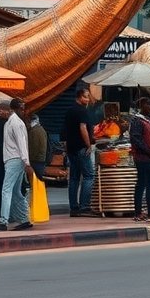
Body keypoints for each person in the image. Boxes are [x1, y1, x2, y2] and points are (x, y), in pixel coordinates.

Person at [0, 98, 32, 231]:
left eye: (1, 110)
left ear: (9, 110)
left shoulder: (15, 123)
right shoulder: (11, 122)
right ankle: (25, 219)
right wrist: (25, 162)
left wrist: (26, 162)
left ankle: (3, 220)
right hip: (14, 160)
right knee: (15, 192)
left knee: (6, 190)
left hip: (14, 160)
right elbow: (19, 143)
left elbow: (21, 143)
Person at [129, 97, 150, 222]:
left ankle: (146, 212)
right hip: (143, 158)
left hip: (149, 158)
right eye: (149, 105)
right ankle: (146, 212)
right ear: (143, 105)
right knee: (147, 184)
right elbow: (136, 140)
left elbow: (149, 138)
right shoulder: (137, 121)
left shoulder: (146, 120)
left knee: (147, 184)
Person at [64, 87, 97, 217]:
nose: (88, 99)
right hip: (81, 148)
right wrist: (88, 145)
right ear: (79, 97)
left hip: (71, 148)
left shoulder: (69, 111)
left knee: (74, 178)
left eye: (88, 97)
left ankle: (74, 208)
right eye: (85, 97)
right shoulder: (82, 111)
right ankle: (84, 206)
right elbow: (83, 128)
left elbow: (66, 131)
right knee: (89, 176)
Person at [28, 114, 48, 180]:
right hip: (40, 159)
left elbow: (35, 146)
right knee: (38, 178)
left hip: (36, 159)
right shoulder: (39, 129)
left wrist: (30, 158)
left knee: (36, 179)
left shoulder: (35, 131)